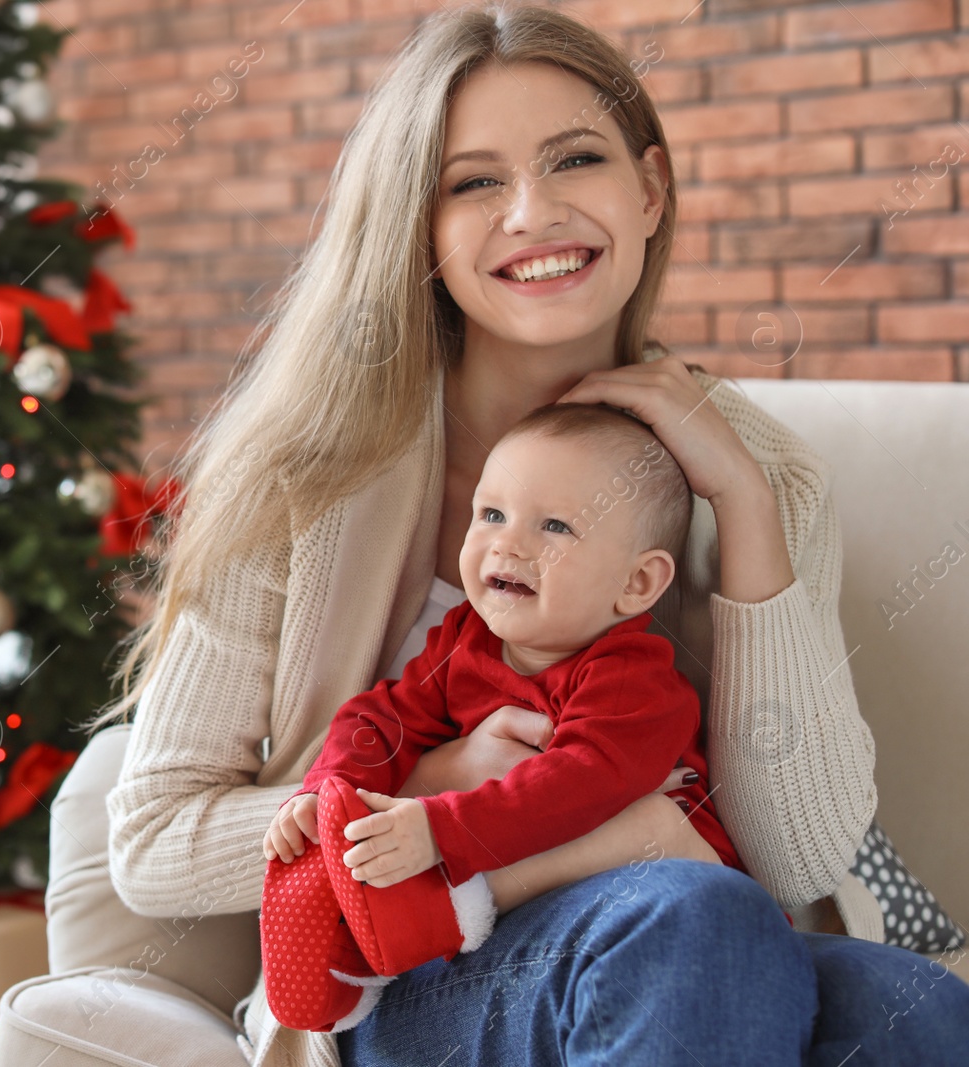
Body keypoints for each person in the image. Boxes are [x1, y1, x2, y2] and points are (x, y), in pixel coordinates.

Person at [92, 3, 969, 1065]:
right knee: (693, 919)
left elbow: (797, 852)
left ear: (647, 190)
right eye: (472, 181)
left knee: (915, 1006)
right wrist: (440, 781)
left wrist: (742, 503)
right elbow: (151, 843)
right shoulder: (300, 476)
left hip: (691, 931)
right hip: (407, 960)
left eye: (576, 159)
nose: (532, 211)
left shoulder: (764, 472)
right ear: (418, 225)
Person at [258, 403, 747, 1034]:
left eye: (555, 527)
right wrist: (330, 786)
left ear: (637, 582)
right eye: (492, 514)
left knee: (642, 818)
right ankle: (352, 951)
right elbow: (383, 717)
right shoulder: (465, 640)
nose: (508, 543)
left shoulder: (632, 676)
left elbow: (579, 783)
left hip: (676, 887)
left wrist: (442, 830)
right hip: (539, 931)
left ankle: (446, 909)